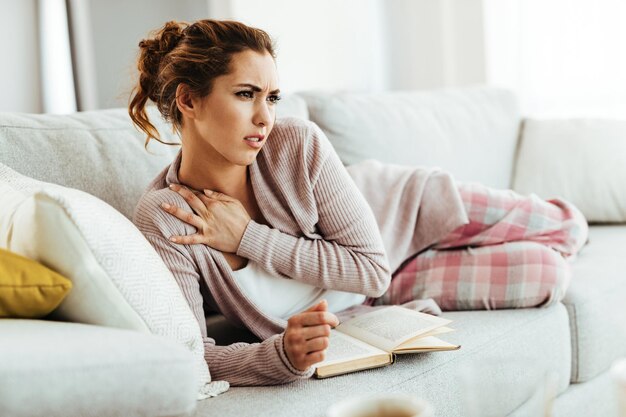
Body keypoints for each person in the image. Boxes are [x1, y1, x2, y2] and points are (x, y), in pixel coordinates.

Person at [129, 19, 588, 386]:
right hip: (384, 291)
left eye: (271, 97)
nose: (265, 117)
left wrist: (247, 237)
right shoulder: (166, 219)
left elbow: (369, 263)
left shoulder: (295, 143)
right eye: (246, 95)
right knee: (548, 274)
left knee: (566, 229)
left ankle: (477, 240)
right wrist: (279, 357)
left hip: (404, 211)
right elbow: (192, 357)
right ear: (189, 100)